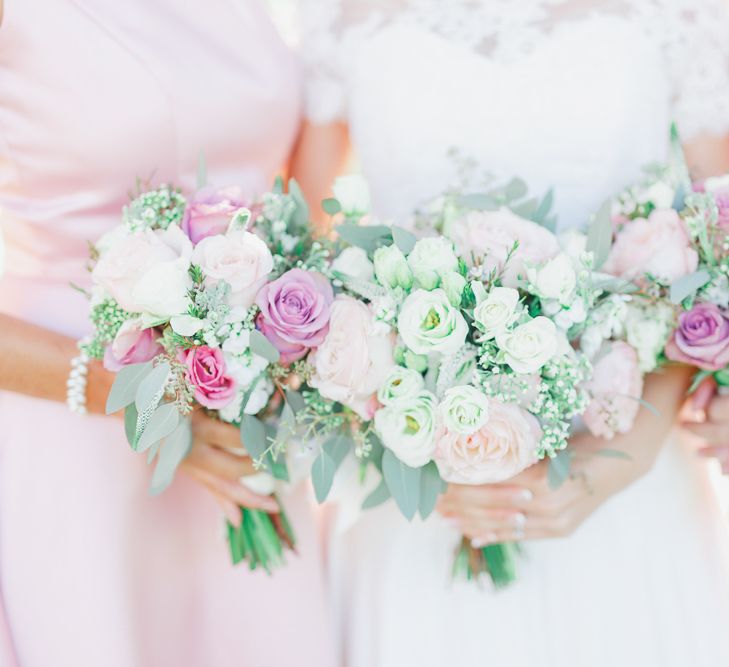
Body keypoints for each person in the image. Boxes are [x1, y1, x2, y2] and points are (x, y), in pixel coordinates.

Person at [292, 1, 729, 665]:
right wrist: (390, 410)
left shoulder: (681, 13)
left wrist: (633, 449)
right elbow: (307, 251)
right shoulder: (340, 16)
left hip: (619, 465)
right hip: (416, 480)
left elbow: (713, 245)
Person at [0, 2, 334, 666]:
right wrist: (146, 401)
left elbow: (301, 196)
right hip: (64, 427)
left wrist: (278, 343)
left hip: (241, 421)